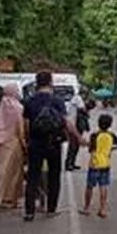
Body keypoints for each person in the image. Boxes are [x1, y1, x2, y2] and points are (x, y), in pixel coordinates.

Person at [23, 71, 85, 222]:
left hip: (36, 143)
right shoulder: (57, 101)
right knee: (54, 176)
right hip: (53, 143)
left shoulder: (30, 101)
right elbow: (66, 122)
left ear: (36, 83)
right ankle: (51, 208)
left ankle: (29, 211)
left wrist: (27, 140)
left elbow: (25, 124)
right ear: (50, 82)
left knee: (33, 177)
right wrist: (78, 137)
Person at [0, 83, 26, 211]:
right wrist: (24, 143)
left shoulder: (3, 105)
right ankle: (10, 199)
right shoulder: (18, 107)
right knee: (14, 172)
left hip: (1, 142)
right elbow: (20, 128)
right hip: (14, 142)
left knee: (1, 170)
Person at [79, 113, 117, 218]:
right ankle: (102, 209)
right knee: (103, 187)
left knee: (90, 186)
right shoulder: (111, 136)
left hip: (94, 164)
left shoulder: (94, 136)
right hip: (106, 164)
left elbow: (91, 150)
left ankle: (87, 208)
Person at [65, 89, 92, 171]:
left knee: (76, 145)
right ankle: (69, 164)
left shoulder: (76, 98)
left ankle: (72, 163)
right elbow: (83, 109)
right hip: (72, 125)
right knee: (73, 146)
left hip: (74, 123)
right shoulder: (78, 98)